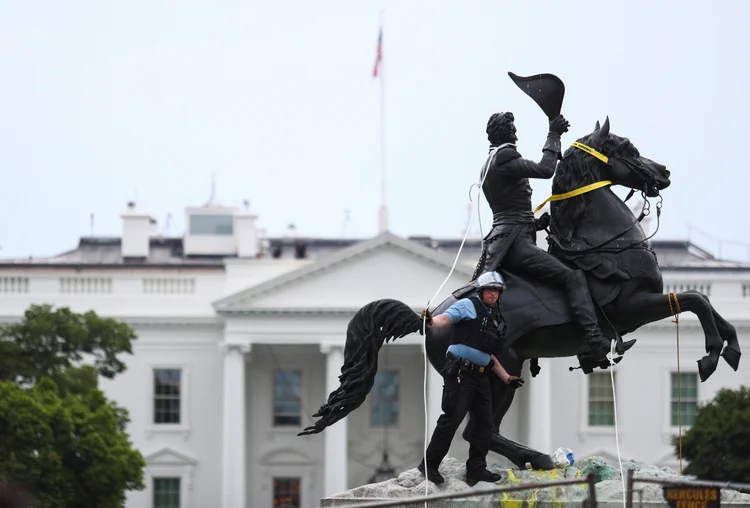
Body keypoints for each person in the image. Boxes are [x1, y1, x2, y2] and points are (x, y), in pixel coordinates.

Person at [473, 111, 629, 364]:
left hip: (509, 239)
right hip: (516, 246)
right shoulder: (504, 157)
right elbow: (546, 169)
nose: (515, 133)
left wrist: (534, 223)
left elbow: (508, 210)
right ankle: (595, 344)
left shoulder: (491, 161)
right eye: (512, 129)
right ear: (507, 133)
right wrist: (553, 133)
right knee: (573, 277)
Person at [417, 271, 523, 486]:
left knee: (485, 423)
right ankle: (429, 465)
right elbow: (444, 319)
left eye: (497, 291)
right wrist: (430, 321)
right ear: (481, 291)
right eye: (490, 290)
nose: (494, 294)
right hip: (460, 372)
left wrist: (506, 378)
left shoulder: (493, 316)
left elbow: (489, 356)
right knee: (452, 418)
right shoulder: (468, 305)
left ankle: (476, 469)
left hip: (480, 375)